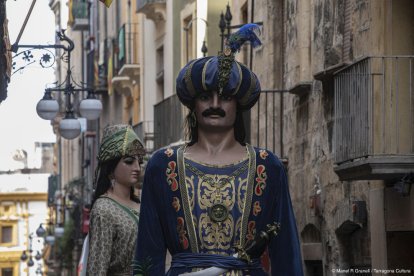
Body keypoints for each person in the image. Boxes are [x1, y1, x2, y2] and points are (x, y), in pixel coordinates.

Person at [134, 24, 303, 275]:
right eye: (205, 97)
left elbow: (286, 253)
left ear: (237, 104)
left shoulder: (267, 166)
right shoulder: (163, 165)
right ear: (193, 105)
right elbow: (148, 252)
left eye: (224, 97)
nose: (215, 104)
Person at [87, 124, 145, 276]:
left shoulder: (142, 206)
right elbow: (96, 269)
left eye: (140, 161)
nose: (137, 167)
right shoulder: (103, 210)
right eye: (129, 161)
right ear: (111, 167)